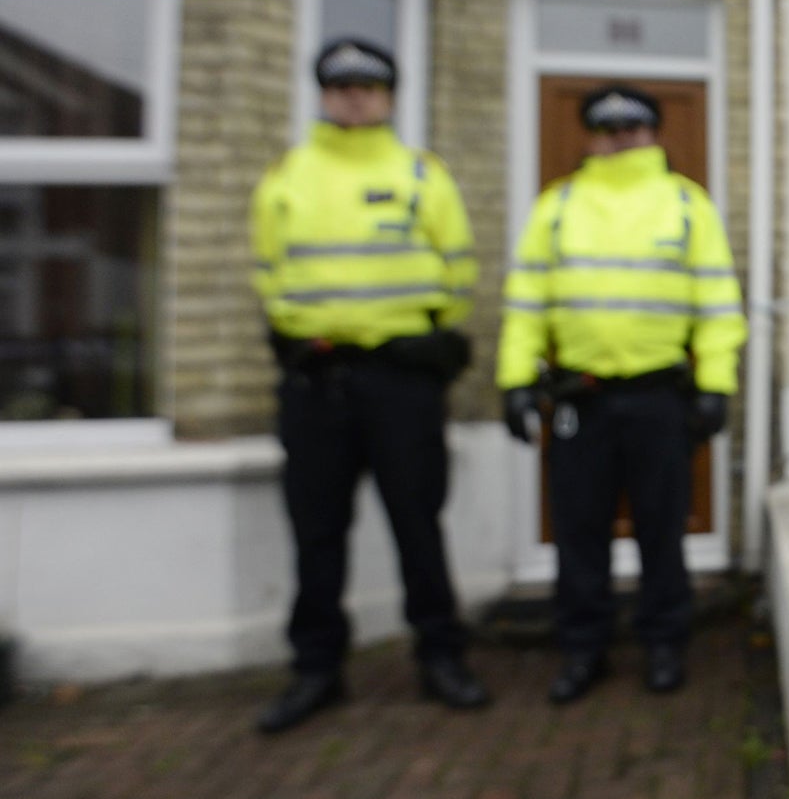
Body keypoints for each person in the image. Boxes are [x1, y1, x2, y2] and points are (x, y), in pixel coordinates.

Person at [249, 39, 489, 733]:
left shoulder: (423, 175)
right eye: (342, 85)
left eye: (369, 85)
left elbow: (459, 270)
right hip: (317, 383)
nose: (355, 96)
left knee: (418, 522)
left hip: (401, 381)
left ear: (391, 95)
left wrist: (426, 338)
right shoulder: (286, 177)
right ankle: (315, 670)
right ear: (322, 94)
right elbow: (270, 274)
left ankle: (442, 658)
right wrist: (293, 335)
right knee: (316, 532)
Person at [498, 83, 745, 704]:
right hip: (580, 401)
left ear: (653, 132)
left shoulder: (687, 206)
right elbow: (526, 303)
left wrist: (715, 384)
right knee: (579, 532)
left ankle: (665, 643)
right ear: (590, 135)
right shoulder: (557, 207)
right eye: (607, 130)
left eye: (631, 129)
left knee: (662, 528)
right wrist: (516, 379)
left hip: (660, 398)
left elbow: (718, 304)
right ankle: (584, 649)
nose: (618, 140)